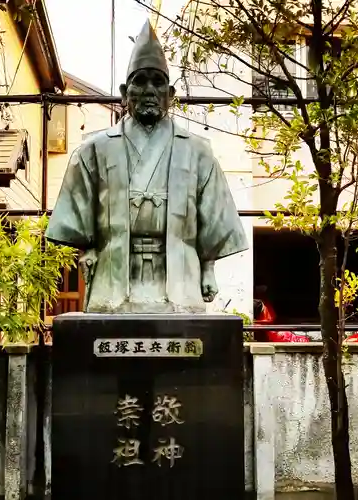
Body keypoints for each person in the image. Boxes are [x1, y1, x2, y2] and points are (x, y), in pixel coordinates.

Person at [46, 20, 248, 313]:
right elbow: (76, 217)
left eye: (158, 82)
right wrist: (86, 250)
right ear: (124, 91)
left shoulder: (197, 151)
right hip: (113, 275)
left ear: (170, 93)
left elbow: (213, 219)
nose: (150, 89)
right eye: (140, 81)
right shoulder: (94, 150)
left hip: (180, 276)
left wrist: (208, 268)